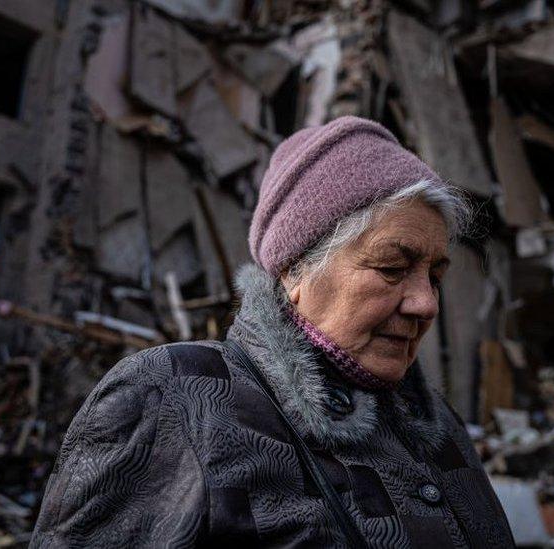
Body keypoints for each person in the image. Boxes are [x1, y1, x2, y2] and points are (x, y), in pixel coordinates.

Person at [31, 116, 515, 548]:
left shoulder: (439, 427)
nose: (426, 304)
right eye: (392, 267)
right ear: (295, 270)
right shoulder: (176, 396)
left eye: (435, 276)